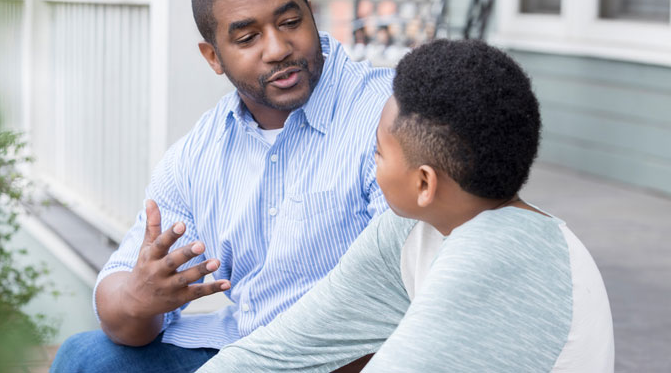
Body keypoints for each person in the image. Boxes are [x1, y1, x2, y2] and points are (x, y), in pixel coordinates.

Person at [50, 0, 393, 372]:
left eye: (290, 22)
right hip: (241, 348)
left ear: (311, 14)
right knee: (87, 357)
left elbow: (403, 293)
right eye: (247, 38)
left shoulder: (389, 115)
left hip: (349, 357)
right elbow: (121, 307)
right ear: (213, 56)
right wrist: (140, 298)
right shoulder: (198, 156)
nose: (277, 48)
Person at [198, 40, 615, 372]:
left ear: (423, 183)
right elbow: (285, 348)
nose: (369, 157)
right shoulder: (412, 229)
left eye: (378, 151)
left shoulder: (502, 256)